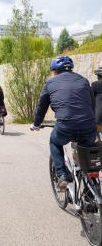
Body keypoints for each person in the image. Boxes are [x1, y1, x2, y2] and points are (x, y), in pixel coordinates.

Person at [31, 56, 96, 190]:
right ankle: (92, 196)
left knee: (54, 142)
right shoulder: (83, 80)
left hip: (65, 126)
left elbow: (41, 107)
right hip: (88, 126)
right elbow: (92, 104)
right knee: (88, 161)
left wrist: (36, 124)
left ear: (55, 71)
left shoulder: (50, 83)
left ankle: (61, 175)